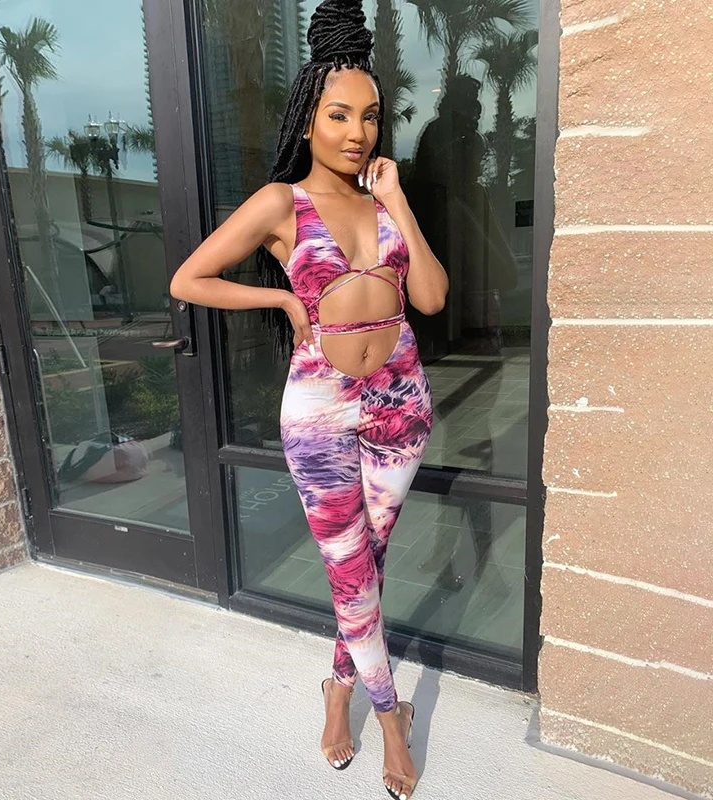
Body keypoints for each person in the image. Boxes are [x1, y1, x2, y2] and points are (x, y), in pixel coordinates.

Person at [170, 2, 448, 797]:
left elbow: (430, 297)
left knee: (365, 569)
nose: (357, 132)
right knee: (349, 571)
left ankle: (337, 687)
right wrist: (283, 300)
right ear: (307, 121)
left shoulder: (385, 202)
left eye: (370, 116)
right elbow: (189, 278)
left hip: (400, 401)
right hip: (320, 408)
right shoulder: (279, 204)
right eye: (339, 114)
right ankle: (389, 716)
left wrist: (401, 201)